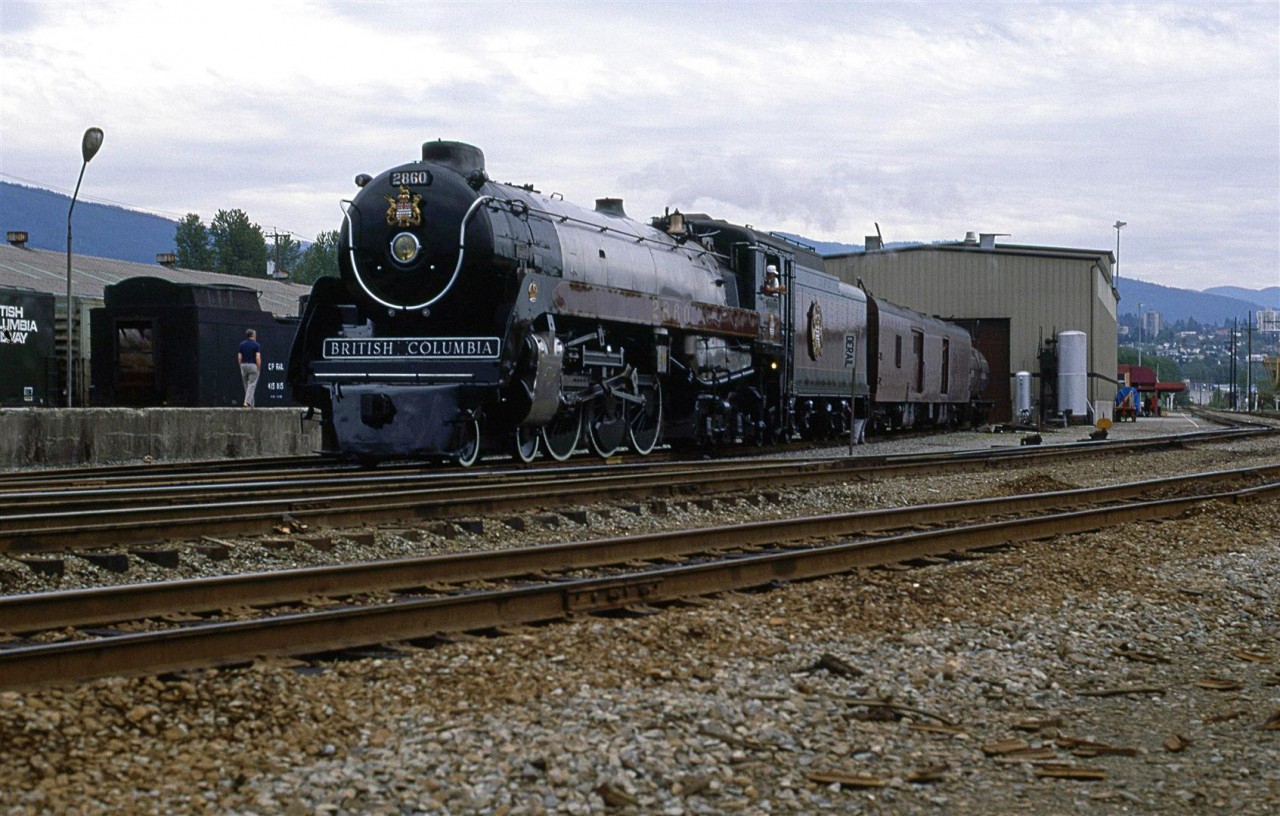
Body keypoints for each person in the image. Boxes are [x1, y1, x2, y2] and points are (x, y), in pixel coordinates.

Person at [238, 329, 262, 407]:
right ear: (253, 335)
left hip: (243, 365)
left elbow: (239, 357)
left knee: (247, 386)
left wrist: (241, 366)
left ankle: (251, 405)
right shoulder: (256, 345)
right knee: (252, 385)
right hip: (253, 365)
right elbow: (257, 358)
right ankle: (247, 402)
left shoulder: (241, 344)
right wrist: (258, 367)